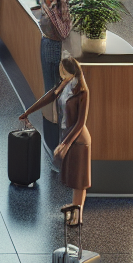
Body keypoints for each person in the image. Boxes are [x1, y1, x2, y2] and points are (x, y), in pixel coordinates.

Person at [18, 55, 91, 224]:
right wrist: (28, 112)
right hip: (67, 136)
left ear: (71, 72)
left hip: (79, 141)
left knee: (80, 181)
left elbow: (80, 123)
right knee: (74, 179)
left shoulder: (82, 92)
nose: (59, 73)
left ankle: (78, 216)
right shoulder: (64, 85)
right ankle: (75, 208)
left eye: (62, 70)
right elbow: (49, 96)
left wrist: (65, 144)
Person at [32, 0, 73, 136]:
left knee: (53, 87)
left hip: (52, 47)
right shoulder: (53, 6)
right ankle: (52, 119)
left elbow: (63, 32)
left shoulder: (58, 8)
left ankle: (57, 122)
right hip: (46, 43)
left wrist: (49, 11)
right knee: (49, 85)